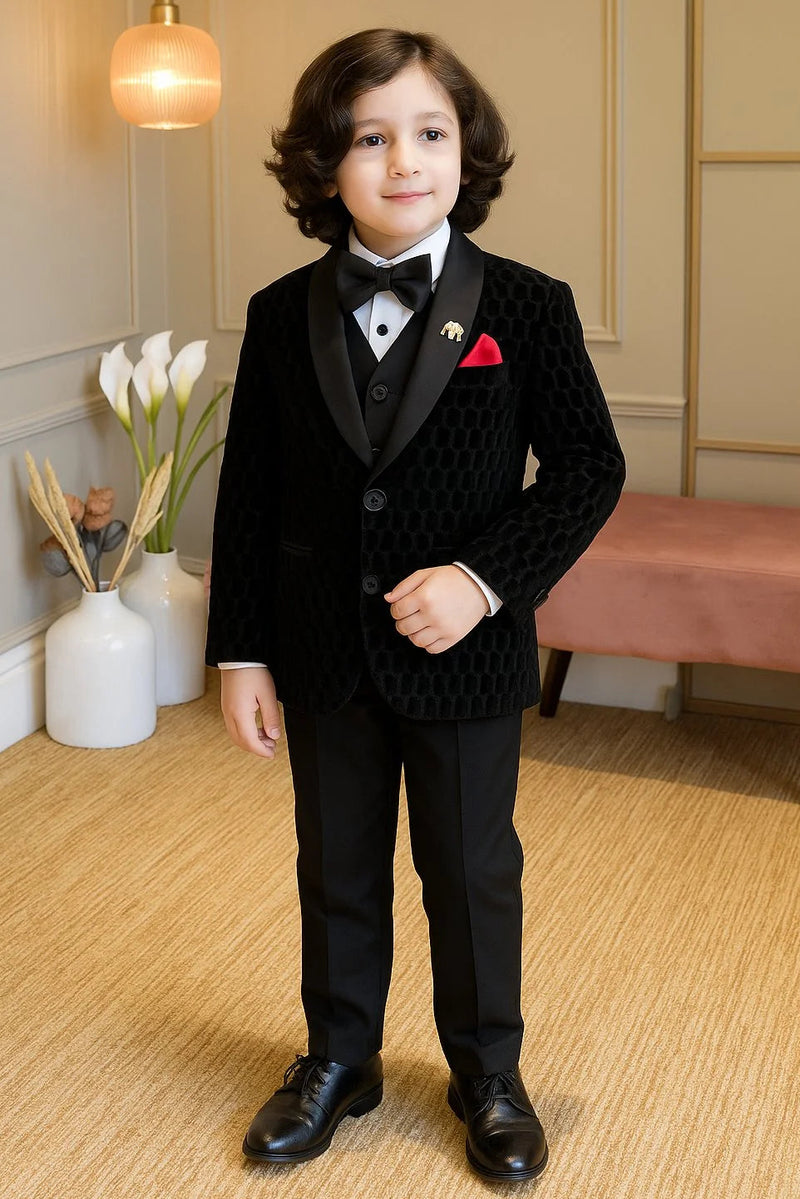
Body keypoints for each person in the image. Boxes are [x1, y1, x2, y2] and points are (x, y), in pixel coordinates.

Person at [206, 27, 625, 1182]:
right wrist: (240, 653)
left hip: (467, 656)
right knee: (334, 863)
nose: (404, 161)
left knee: (470, 866)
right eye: (370, 138)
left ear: (465, 150)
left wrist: (482, 579)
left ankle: (487, 1069)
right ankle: (338, 1058)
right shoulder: (278, 310)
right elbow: (250, 494)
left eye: (428, 133)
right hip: (321, 651)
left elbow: (588, 469)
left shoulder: (527, 309)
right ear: (321, 168)